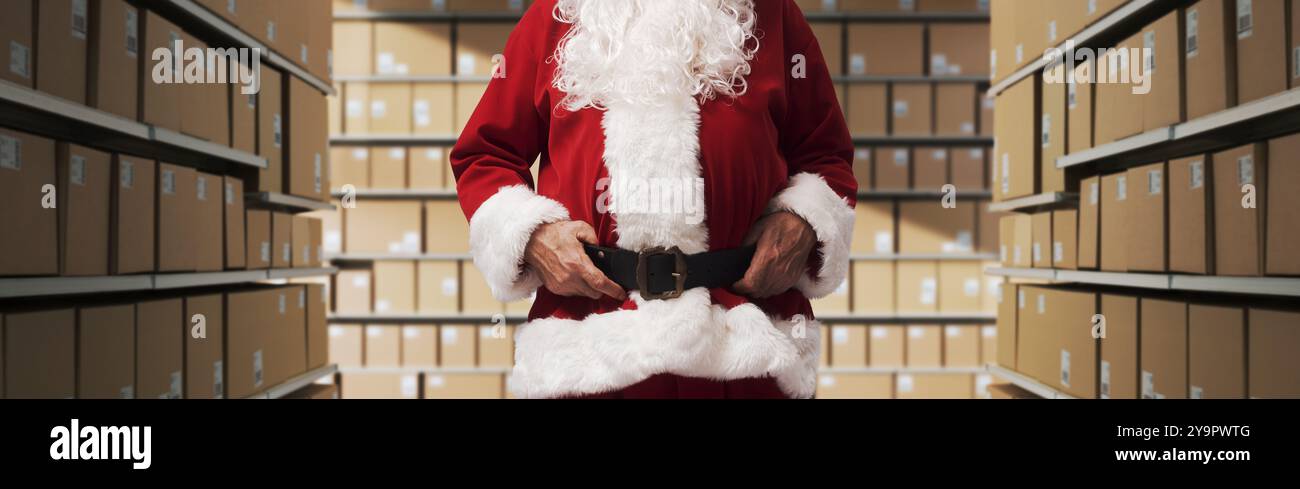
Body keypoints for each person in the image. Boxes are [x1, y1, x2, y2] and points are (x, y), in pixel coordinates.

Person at [451, 0, 856, 399]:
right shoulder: (554, 15)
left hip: (747, 344)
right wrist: (534, 237)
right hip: (589, 349)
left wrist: (803, 223)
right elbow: (485, 156)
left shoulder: (774, 13)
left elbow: (825, 155)